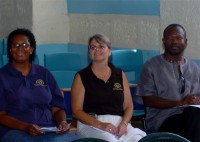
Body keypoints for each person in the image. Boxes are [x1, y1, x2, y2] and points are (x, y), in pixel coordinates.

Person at [0, 28, 78, 142]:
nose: (20, 48)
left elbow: (57, 108)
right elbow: (1, 115)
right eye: (15, 45)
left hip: (49, 128)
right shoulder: (2, 76)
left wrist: (62, 122)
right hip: (15, 130)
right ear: (10, 50)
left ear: (31, 49)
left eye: (25, 45)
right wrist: (25, 127)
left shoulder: (44, 73)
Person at [71, 33, 146, 142]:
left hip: (119, 123)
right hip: (90, 124)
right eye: (93, 47)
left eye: (101, 46)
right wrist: (101, 125)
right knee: (109, 141)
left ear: (109, 51)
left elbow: (129, 106)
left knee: (138, 139)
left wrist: (124, 124)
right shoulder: (81, 76)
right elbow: (76, 111)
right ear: (89, 52)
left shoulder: (120, 74)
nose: (97, 49)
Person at [135, 24, 200, 142]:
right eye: (170, 38)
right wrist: (180, 103)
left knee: (194, 116)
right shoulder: (151, 66)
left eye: (179, 38)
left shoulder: (193, 67)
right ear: (163, 41)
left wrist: (196, 100)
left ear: (185, 41)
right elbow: (147, 100)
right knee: (196, 118)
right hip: (163, 119)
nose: (174, 41)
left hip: (192, 117)